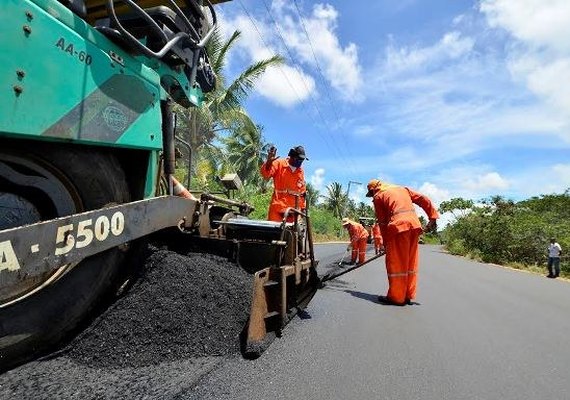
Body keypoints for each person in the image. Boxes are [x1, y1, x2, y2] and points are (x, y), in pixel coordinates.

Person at [366, 178, 439, 306]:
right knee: (410, 263)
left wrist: (386, 243)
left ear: (373, 190)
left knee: (396, 264)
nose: (372, 196)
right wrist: (432, 216)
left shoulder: (379, 196)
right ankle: (407, 295)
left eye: (371, 194)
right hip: (414, 226)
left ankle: (396, 297)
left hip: (398, 228)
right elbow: (423, 199)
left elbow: (382, 223)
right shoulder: (402, 189)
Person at [260, 145, 307, 222]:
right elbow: (266, 174)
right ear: (291, 155)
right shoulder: (279, 164)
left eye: (302, 160)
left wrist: (303, 210)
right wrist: (269, 162)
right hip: (277, 211)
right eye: (298, 159)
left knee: (293, 233)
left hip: (293, 213)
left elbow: (302, 192)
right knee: (274, 233)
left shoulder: (300, 172)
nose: (300, 162)